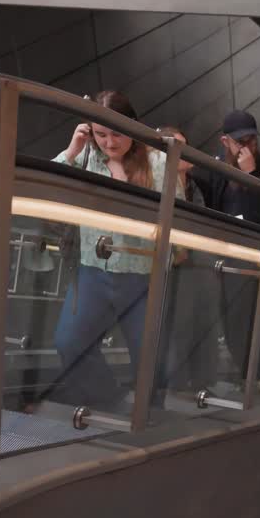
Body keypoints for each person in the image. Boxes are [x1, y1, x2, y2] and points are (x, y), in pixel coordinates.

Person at [49, 91, 167, 412]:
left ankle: (150, 413)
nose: (110, 143)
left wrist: (117, 165)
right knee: (68, 341)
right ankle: (107, 400)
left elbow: (169, 215)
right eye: (100, 134)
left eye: (117, 133)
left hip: (141, 274)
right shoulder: (87, 159)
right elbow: (46, 185)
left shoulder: (157, 161)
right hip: (92, 269)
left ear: (132, 128)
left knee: (147, 351)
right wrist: (72, 151)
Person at [192, 110, 260, 385]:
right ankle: (247, 373)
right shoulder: (218, 169)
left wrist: (252, 177)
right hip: (231, 257)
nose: (247, 147)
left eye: (252, 141)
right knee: (234, 321)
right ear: (226, 142)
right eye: (240, 142)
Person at [155, 126, 219, 395]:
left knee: (200, 321)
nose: (184, 151)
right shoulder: (160, 181)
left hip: (197, 260)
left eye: (185, 145)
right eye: (176, 146)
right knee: (178, 324)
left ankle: (200, 381)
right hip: (175, 262)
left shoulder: (196, 185)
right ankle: (177, 382)